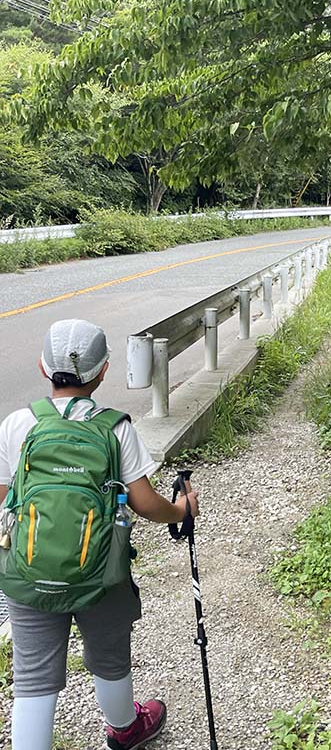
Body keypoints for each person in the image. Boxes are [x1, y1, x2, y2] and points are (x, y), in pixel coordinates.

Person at [0, 319, 199, 750]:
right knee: (110, 659)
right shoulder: (115, 429)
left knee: (32, 678)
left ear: (41, 367)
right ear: (104, 371)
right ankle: (126, 728)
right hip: (101, 572)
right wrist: (181, 510)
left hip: (29, 569)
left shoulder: (17, 424)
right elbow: (145, 503)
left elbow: (2, 498)